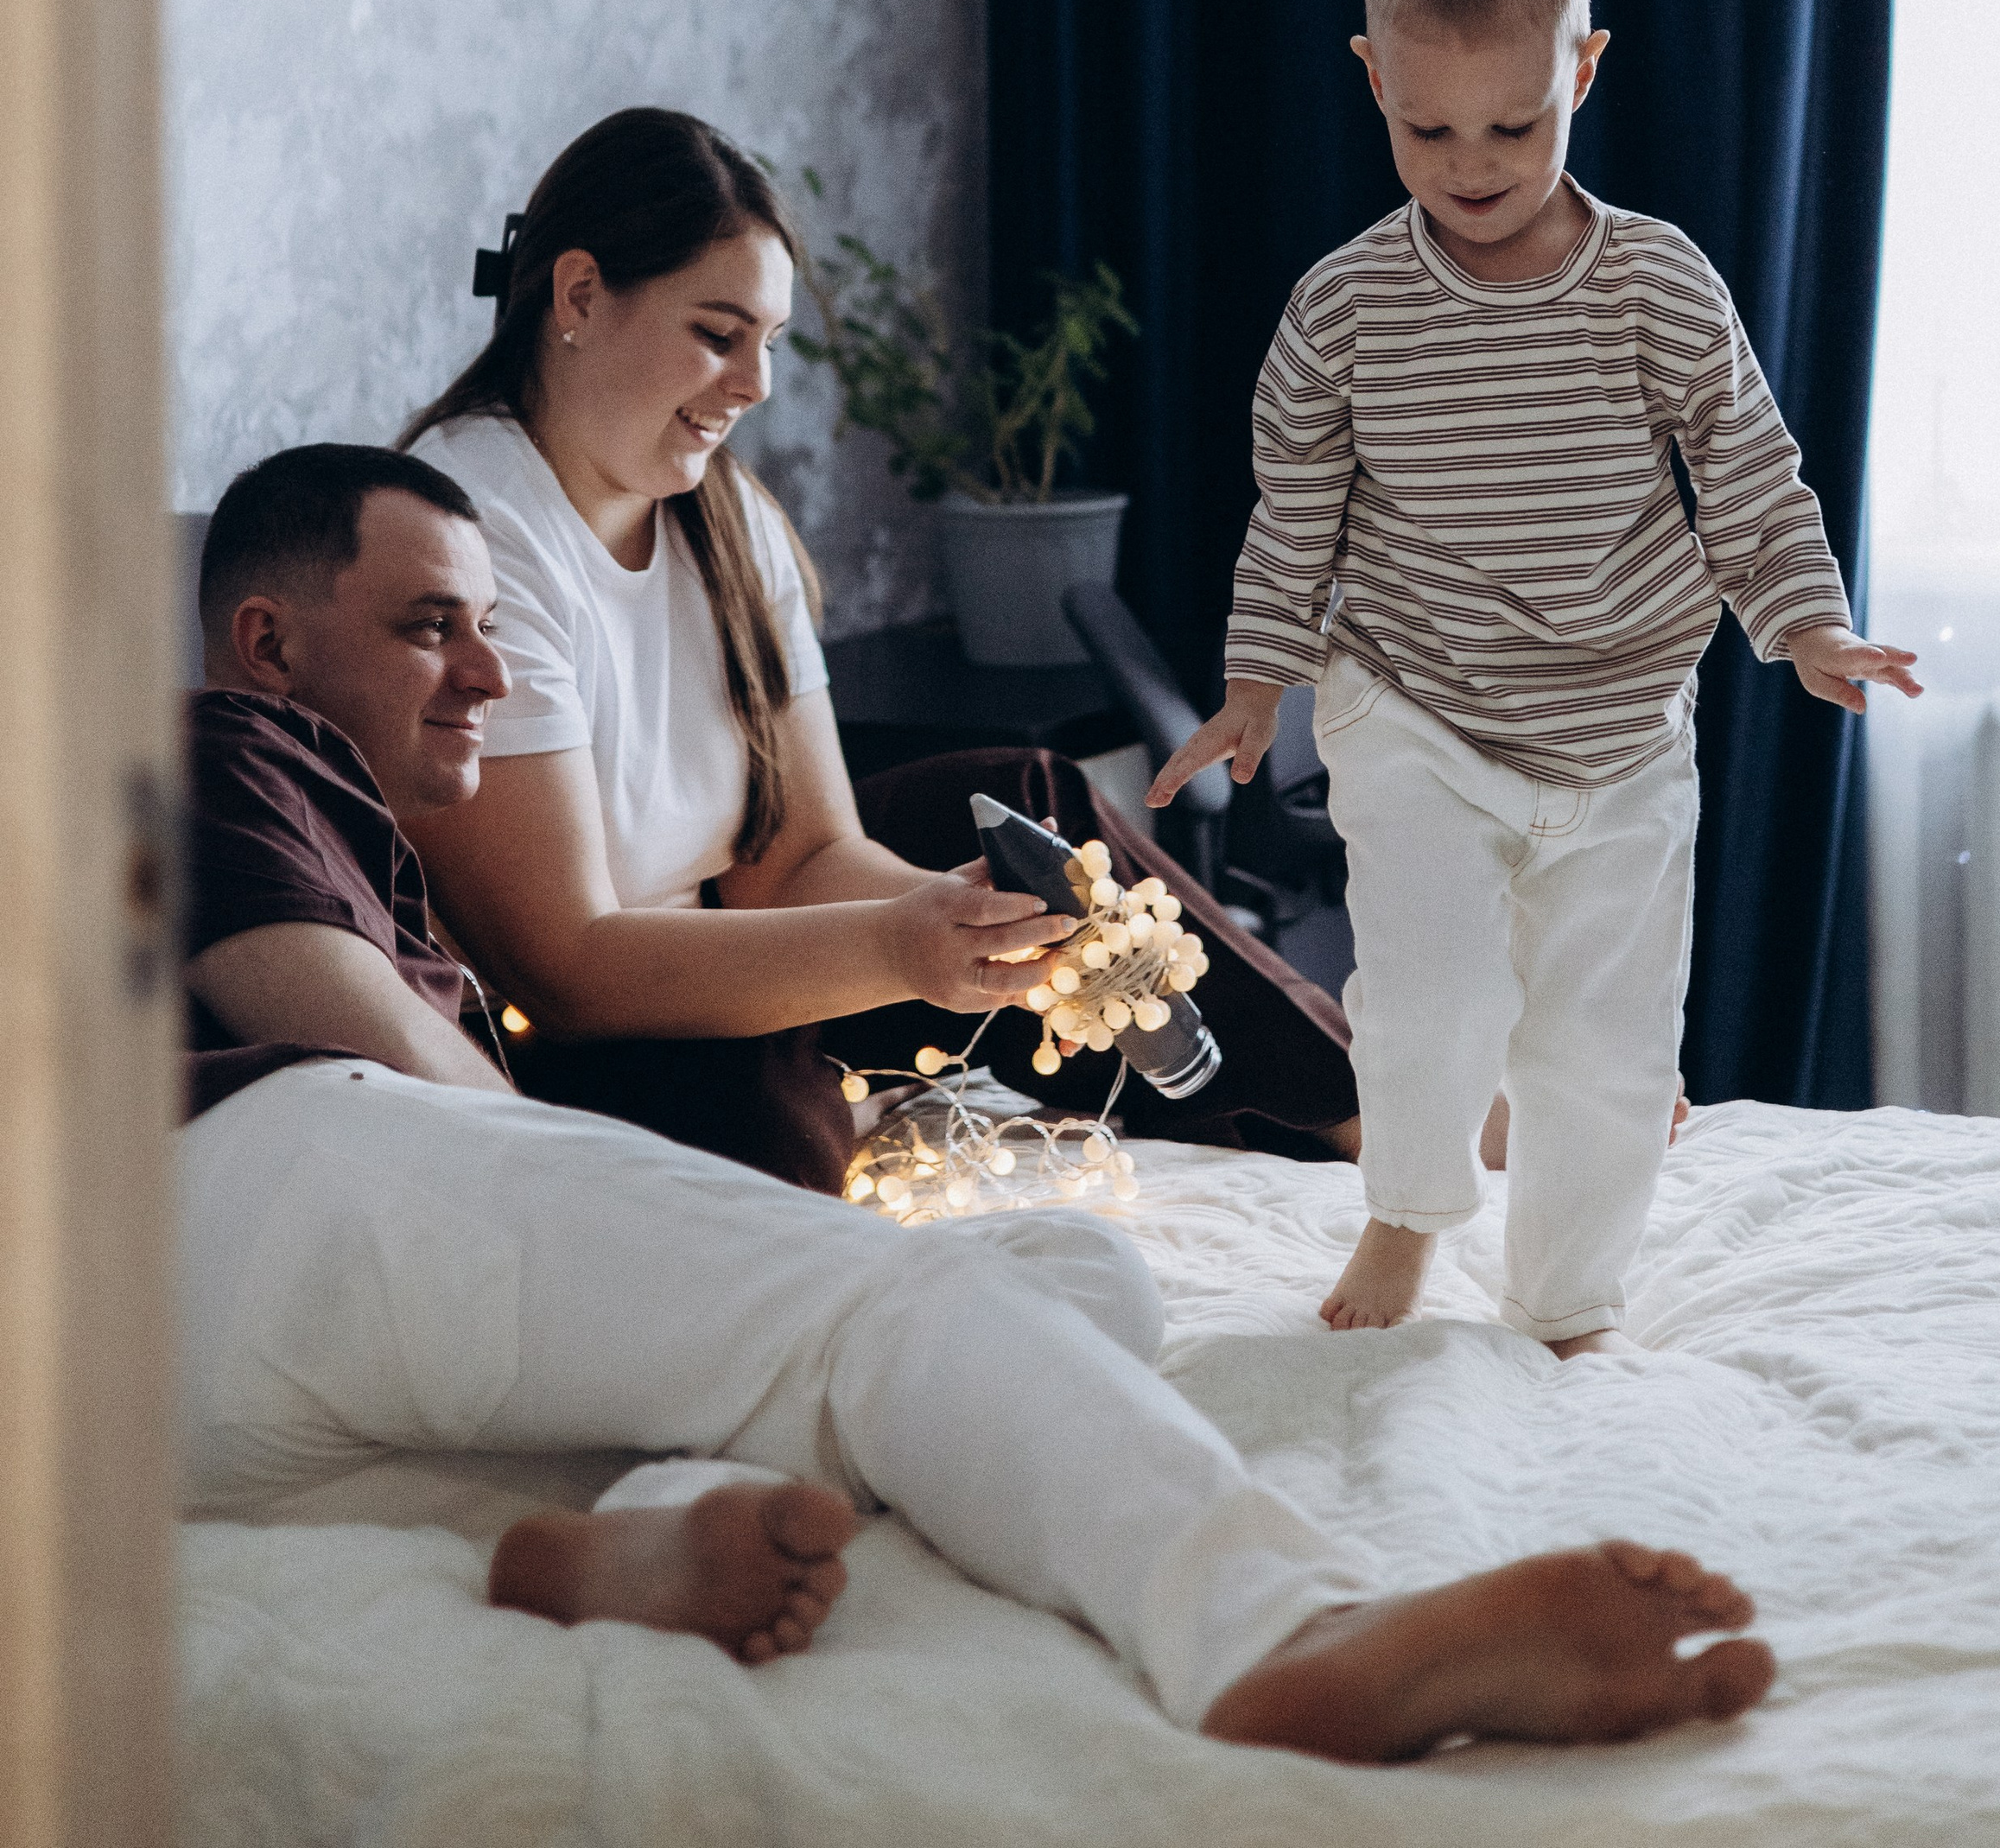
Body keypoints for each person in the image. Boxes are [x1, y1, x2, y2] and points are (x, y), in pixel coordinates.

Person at [176, 437, 1776, 1757]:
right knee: (874, 1314)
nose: (486, 671)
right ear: (268, 645)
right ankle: (1279, 1628)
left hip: (231, 1412)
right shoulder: (221, 752)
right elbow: (364, 1059)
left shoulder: (380, 831)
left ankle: (588, 1543)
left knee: (1068, 1273)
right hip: (252, 1201)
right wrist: (664, 1226)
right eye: (427, 628)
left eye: (487, 625)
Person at [1149, 0, 1921, 1342]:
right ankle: (1406, 1214)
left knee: (1607, 1048)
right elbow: (1294, 509)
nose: (1472, 159)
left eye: (1517, 119)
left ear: (1587, 65)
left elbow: (1750, 475)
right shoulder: (1346, 307)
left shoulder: (1658, 286)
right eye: (1425, 124)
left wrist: (1808, 624)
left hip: (1622, 725)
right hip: (1415, 704)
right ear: (1372, 76)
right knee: (1430, 998)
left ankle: (1568, 1293)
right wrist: (1259, 683)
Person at [398, 108, 1359, 1193]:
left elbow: (800, 858)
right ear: (578, 297)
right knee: (770, 1129)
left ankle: (1362, 1108)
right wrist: (895, 950)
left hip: (726, 925)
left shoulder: (725, 518)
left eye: (769, 343)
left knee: (1027, 808)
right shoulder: (472, 533)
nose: (756, 386)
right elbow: (565, 967)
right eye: (718, 335)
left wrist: (955, 924)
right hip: (594, 1015)